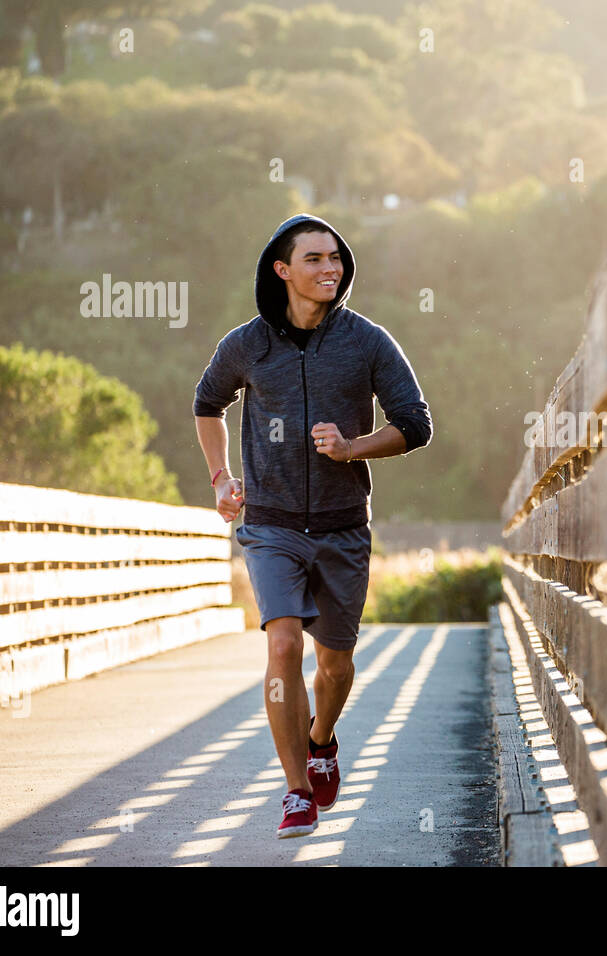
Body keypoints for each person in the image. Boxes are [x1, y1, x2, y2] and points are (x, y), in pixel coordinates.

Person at [193, 214, 432, 838]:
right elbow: (207, 404)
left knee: (334, 664)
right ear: (283, 270)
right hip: (270, 523)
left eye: (337, 260)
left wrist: (353, 448)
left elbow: (415, 423)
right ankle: (297, 790)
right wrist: (221, 477)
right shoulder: (247, 345)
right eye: (316, 259)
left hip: (342, 526)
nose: (331, 269)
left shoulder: (368, 341)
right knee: (281, 645)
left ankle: (322, 738)